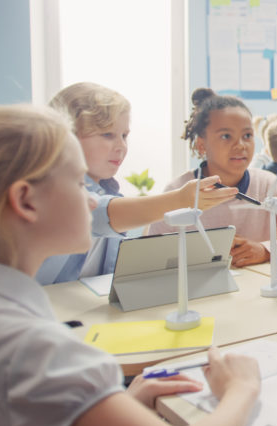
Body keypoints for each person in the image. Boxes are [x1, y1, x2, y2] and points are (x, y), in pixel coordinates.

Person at [0, 104, 260, 426]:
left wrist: (103, 402)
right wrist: (241, 388)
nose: (93, 202)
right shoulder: (31, 347)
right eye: (79, 183)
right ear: (26, 201)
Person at [37, 82, 236, 285]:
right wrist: (179, 199)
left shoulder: (109, 190)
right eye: (107, 135)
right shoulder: (53, 191)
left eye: (124, 136)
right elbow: (98, 214)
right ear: (66, 137)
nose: (121, 146)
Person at [149, 88, 277, 267]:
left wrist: (265, 250)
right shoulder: (179, 192)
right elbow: (151, 255)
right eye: (226, 136)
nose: (240, 145)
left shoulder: (267, 184)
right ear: (201, 145)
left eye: (247, 135)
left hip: (255, 291)